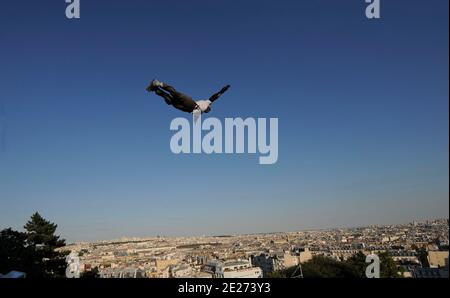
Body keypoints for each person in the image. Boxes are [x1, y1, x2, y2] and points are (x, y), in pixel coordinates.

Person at [146, 79, 230, 116]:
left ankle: (155, 89)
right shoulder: (208, 102)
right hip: (191, 104)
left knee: (170, 100)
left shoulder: (199, 113)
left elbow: (196, 122)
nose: (207, 110)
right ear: (209, 106)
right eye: (208, 109)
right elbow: (215, 96)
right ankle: (159, 84)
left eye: (207, 111)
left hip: (188, 109)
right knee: (176, 94)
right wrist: (222, 91)